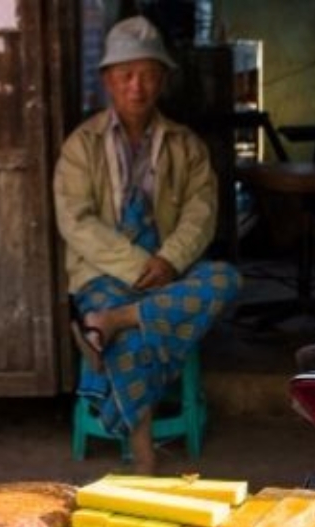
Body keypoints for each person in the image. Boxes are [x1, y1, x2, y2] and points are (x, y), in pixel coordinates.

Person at [55, 15, 241, 474]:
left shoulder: (186, 146)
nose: (136, 86)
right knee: (136, 340)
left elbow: (203, 212)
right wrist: (142, 265)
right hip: (105, 272)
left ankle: (111, 322)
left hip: (167, 272)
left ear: (163, 79)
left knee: (226, 279)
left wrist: (171, 260)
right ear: (107, 81)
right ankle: (143, 458)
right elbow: (75, 221)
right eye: (125, 75)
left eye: (148, 74)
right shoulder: (81, 146)